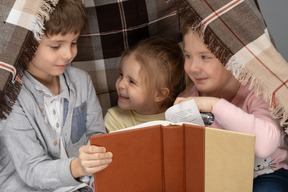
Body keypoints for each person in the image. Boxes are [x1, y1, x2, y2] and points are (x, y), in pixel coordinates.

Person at [175, 0, 288, 191]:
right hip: (220, 177)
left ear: (232, 55)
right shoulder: (188, 96)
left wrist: (214, 105)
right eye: (188, 56)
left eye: (205, 57)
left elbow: (264, 146)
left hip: (266, 173)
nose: (193, 67)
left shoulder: (257, 90)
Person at [0, 0, 112, 191]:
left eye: (74, 42)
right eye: (55, 46)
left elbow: (98, 136)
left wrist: (95, 157)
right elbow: (32, 170)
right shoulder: (10, 95)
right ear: (26, 42)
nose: (69, 54)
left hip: (81, 184)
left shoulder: (81, 81)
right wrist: (77, 166)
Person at [104, 37, 185, 132]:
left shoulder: (178, 117)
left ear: (159, 94)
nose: (121, 84)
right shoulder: (115, 119)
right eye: (121, 75)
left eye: (132, 81)